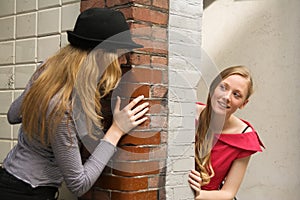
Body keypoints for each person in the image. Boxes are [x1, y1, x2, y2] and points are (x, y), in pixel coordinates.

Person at [0, 8, 149, 200]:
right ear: (100, 56)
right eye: (120, 54)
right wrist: (116, 131)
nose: (124, 61)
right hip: (28, 193)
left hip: (8, 178)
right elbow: (78, 184)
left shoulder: (47, 72)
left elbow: (13, 115)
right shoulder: (63, 109)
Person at [188, 66, 265, 199]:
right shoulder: (188, 113)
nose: (227, 97)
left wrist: (196, 194)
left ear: (243, 104)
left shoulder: (244, 137)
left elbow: (228, 193)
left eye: (236, 94)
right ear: (213, 88)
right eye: (223, 87)